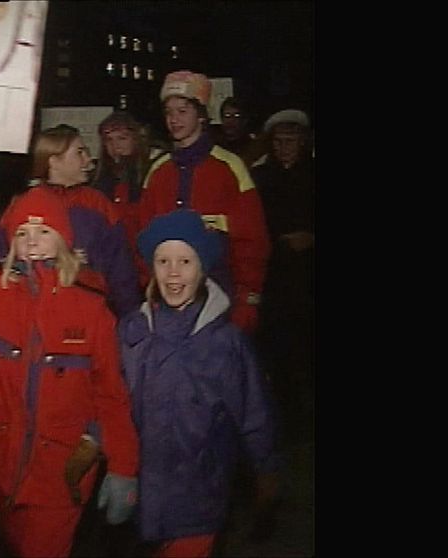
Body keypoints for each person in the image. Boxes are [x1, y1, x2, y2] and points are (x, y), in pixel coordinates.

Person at [0, 131, 140, 558]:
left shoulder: (92, 309)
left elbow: (111, 395)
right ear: (11, 245)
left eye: (43, 230)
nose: (33, 239)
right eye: (22, 233)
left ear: (63, 240)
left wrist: (123, 466)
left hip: (61, 473)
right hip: (1, 466)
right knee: (15, 543)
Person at [120, 209, 280, 558]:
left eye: (185, 261)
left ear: (203, 269)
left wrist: (265, 468)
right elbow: (110, 399)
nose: (173, 272)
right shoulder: (134, 332)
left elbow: (254, 411)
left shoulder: (226, 343)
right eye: (163, 260)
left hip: (199, 496)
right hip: (139, 496)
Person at [138, 70, 270, 335]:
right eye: (169, 112)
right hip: (167, 301)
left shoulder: (230, 168)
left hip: (221, 301)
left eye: (183, 111)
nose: (174, 120)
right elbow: (141, 237)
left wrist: (248, 298)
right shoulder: (157, 171)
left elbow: (252, 241)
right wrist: (148, 289)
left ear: (201, 115)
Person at [0, 124, 142, 320]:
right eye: (80, 152)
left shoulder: (98, 205)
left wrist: (130, 322)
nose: (88, 160)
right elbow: (0, 265)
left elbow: (121, 272)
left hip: (88, 320)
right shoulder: (21, 208)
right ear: (54, 161)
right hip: (30, 320)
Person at [251, 108, 315, 442]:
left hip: (308, 277)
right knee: (277, 353)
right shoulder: (261, 178)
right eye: (279, 141)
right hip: (275, 278)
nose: (285, 147)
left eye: (291, 140)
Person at [91, 110, 165, 235]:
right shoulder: (100, 177)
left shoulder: (155, 169)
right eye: (109, 140)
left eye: (122, 138)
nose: (115, 145)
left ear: (136, 138)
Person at [211, 96, 265, 168]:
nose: (231, 121)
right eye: (227, 116)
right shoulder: (213, 144)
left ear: (245, 120)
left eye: (236, 116)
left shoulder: (253, 147)